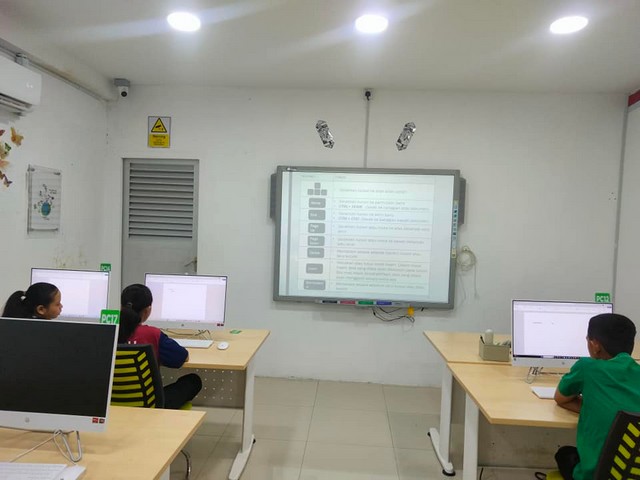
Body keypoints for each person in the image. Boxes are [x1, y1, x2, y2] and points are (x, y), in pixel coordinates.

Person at [554, 313, 640, 479]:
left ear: (595, 345)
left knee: (564, 454)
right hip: (632, 473)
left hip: (595, 475)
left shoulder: (587, 367)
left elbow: (560, 398)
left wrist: (591, 407)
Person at [120, 284, 202, 409]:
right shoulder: (153, 334)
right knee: (193, 381)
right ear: (148, 310)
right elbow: (182, 357)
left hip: (110, 402)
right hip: (150, 404)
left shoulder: (108, 331)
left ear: (121, 307)